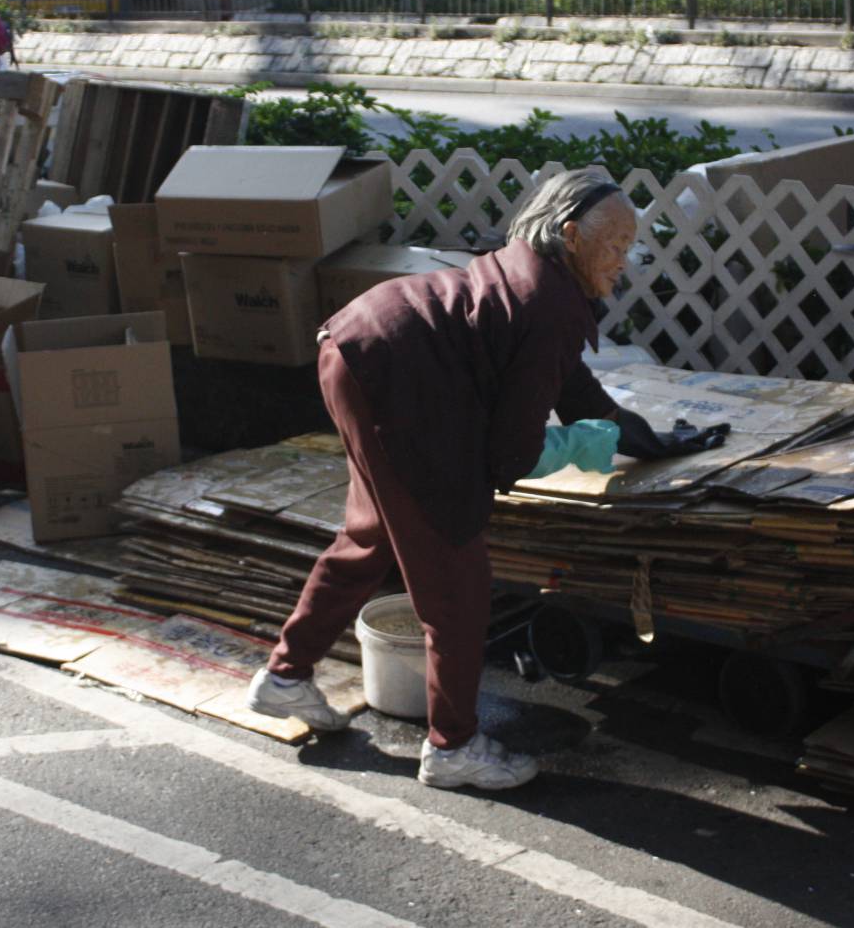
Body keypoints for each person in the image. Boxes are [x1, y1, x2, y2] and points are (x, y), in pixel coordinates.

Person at [245, 170, 727, 790]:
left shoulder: (539, 276)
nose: (624, 263)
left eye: (629, 247)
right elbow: (508, 455)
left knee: (369, 538)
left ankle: (284, 680)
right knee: (456, 578)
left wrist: (642, 438)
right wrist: (580, 449)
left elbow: (574, 388)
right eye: (615, 247)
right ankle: (453, 747)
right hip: (398, 383)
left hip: (358, 350)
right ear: (573, 235)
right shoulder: (549, 303)